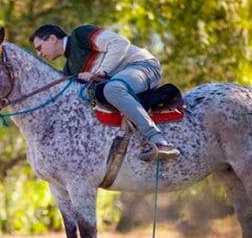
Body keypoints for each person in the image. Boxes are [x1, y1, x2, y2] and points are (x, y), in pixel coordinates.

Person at [29, 24, 180, 162]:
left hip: (143, 66)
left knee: (112, 89)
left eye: (39, 48)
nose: (39, 54)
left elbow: (121, 43)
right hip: (121, 82)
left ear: (52, 39)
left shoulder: (80, 35)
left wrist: (100, 73)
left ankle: (159, 141)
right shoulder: (69, 70)